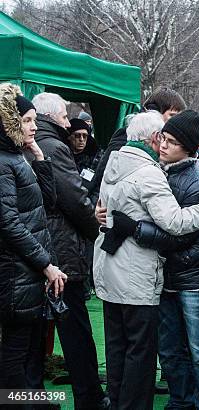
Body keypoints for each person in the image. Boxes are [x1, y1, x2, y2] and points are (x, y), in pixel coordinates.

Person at [93, 111, 199, 410]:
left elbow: (176, 233)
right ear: (152, 138)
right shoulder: (149, 171)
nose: (163, 146)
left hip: (140, 273)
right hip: (140, 274)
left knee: (138, 349)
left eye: (171, 141)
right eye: (163, 139)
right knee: (148, 351)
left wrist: (125, 224)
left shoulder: (117, 161)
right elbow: (175, 224)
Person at [31, 91, 108, 409]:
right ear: (50, 117)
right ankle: (89, 399)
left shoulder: (31, 148)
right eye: (64, 116)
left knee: (30, 339)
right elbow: (74, 199)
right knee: (75, 331)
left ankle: (30, 399)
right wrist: (96, 229)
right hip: (60, 253)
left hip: (37, 252)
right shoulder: (53, 148)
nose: (68, 122)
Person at [0, 83, 67, 397]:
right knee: (15, 354)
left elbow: (48, 204)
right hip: (16, 273)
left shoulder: (17, 157)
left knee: (28, 352)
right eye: (26, 120)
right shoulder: (3, 162)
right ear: (9, 122)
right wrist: (47, 266)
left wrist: (39, 157)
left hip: (26, 273)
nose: (34, 125)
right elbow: (9, 224)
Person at [91, 87, 187, 199]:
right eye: (172, 116)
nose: (176, 122)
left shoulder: (164, 141)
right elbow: (105, 173)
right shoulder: (128, 135)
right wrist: (101, 205)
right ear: (155, 112)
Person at [68, 118, 103, 194]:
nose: (81, 139)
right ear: (69, 137)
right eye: (77, 136)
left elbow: (100, 185)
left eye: (85, 136)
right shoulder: (63, 156)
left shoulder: (96, 157)